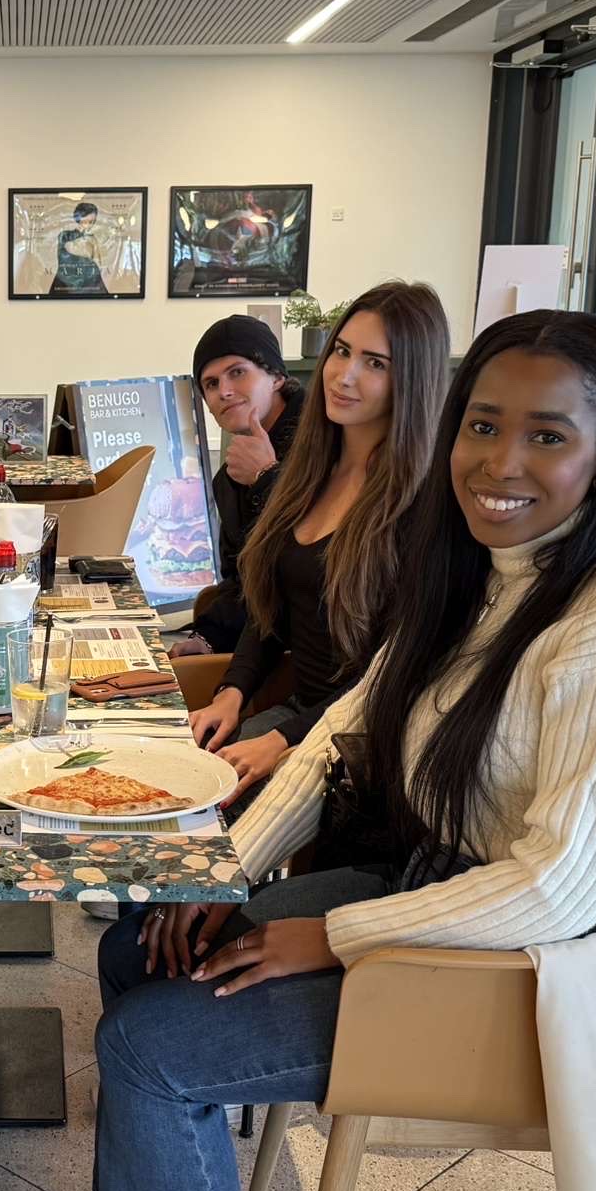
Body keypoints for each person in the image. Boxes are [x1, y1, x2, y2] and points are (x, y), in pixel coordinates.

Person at [63, 310, 596, 1191]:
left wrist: (333, 935)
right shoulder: (487, 573)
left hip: (529, 979)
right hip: (440, 900)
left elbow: (565, 887)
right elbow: (339, 735)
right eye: (483, 425)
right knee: (143, 945)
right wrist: (225, 877)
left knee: (149, 1045)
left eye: (547, 436)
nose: (501, 463)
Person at [187, 282, 451, 802]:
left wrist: (283, 739)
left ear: (412, 379)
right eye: (342, 351)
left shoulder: (421, 505)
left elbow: (393, 676)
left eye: (375, 363)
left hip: (353, 742)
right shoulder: (307, 471)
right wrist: (231, 692)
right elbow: (270, 608)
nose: (344, 375)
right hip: (293, 716)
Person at [168, 315, 305, 660]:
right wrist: (208, 638)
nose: (224, 391)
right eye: (211, 384)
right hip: (256, 654)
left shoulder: (325, 447)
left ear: (276, 377)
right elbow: (243, 581)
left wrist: (265, 476)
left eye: (238, 372)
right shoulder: (228, 479)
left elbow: (306, 568)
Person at [48, 200, 106, 295]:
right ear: (79, 218)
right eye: (86, 221)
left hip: (89, 282)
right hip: (66, 283)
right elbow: (67, 251)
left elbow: (98, 262)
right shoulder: (65, 235)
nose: (90, 225)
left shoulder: (92, 239)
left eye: (92, 222)